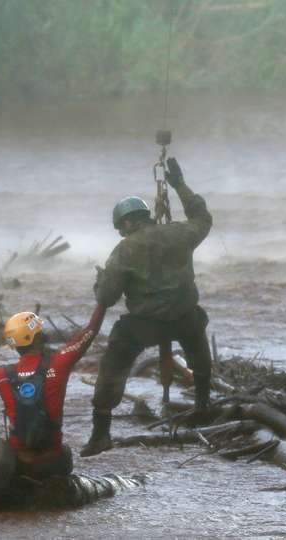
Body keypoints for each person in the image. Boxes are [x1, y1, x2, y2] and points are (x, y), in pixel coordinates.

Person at [81, 157, 213, 457]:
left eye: (120, 228)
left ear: (127, 223)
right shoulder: (180, 233)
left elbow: (107, 297)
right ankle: (203, 405)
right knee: (196, 332)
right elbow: (202, 218)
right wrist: (179, 184)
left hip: (144, 324)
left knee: (113, 363)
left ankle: (100, 432)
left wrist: (100, 281)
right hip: (183, 315)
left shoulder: (125, 250)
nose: (121, 233)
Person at [0, 306, 105, 479]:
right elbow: (89, 332)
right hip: (52, 462)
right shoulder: (58, 364)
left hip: (16, 463)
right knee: (65, 452)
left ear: (15, 345)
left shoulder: (0, 375)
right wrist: (102, 305)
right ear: (39, 337)